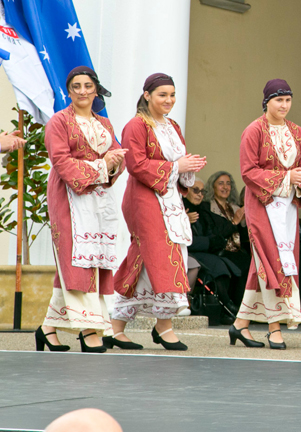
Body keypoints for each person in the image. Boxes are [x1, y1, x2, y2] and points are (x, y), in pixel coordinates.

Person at [109, 73, 206, 351]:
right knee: (161, 255)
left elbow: (179, 163)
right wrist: (177, 167)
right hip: (144, 199)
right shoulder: (136, 125)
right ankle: (164, 326)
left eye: (172, 95)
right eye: (162, 94)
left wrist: (189, 167)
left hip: (170, 199)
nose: (169, 100)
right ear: (147, 95)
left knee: (143, 259)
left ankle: (117, 326)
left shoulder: (173, 125)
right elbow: (136, 164)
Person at [36, 67, 126, 353]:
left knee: (95, 260)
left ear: (96, 90)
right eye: (77, 86)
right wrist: (102, 165)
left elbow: (118, 160)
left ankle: (48, 329)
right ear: (69, 91)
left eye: (88, 86)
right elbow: (61, 163)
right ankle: (90, 329)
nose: (83, 91)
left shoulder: (105, 124)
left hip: (99, 199)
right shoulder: (58, 123)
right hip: (69, 196)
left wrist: (113, 163)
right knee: (77, 261)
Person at [230, 79, 301, 350]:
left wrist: (300, 180)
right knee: (268, 261)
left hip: (287, 207)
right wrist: (288, 176)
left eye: (288, 100)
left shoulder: (297, 132)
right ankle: (274, 327)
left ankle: (240, 324)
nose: (284, 105)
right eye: (279, 100)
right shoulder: (253, 131)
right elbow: (248, 171)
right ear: (267, 102)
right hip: (262, 205)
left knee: (264, 262)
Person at [183, 178, 240, 324]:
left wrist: (214, 241)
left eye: (202, 191)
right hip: (187, 252)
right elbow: (183, 239)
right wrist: (183, 220)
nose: (200, 195)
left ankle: (225, 310)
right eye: (196, 190)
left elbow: (211, 232)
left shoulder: (203, 209)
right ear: (185, 191)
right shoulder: (179, 209)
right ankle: (227, 306)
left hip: (203, 251)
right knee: (217, 266)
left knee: (231, 266)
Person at [204, 170, 250, 308]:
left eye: (228, 184)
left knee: (252, 264)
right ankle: (234, 308)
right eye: (221, 183)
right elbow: (215, 234)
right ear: (213, 186)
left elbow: (243, 236)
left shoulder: (235, 208)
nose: (225, 187)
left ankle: (247, 309)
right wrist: (235, 221)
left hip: (237, 251)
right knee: (243, 265)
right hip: (218, 251)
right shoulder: (207, 207)